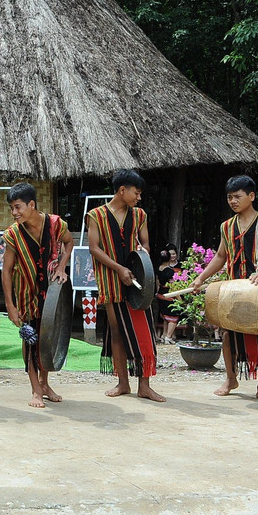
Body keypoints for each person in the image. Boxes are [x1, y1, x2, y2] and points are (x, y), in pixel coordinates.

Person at [185, 175, 258, 403]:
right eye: (230, 197)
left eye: (237, 196)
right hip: (236, 290)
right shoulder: (226, 226)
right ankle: (231, 379)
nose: (233, 201)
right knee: (229, 335)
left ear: (251, 196)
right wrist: (201, 278)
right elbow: (221, 256)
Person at [86, 169, 165, 402]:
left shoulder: (140, 215)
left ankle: (145, 385)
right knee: (116, 331)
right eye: (136, 193)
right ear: (122, 190)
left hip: (136, 281)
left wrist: (143, 254)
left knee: (144, 331)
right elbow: (94, 248)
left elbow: (146, 244)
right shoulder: (95, 215)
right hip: (110, 280)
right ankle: (123, 383)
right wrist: (119, 269)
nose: (138, 198)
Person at [2, 183, 73, 408]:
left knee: (48, 339)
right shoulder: (13, 234)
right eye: (12, 208)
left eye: (18, 207)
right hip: (26, 295)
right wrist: (10, 306)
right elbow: (6, 270)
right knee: (31, 341)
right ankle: (35, 390)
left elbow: (69, 242)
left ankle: (44, 383)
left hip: (51, 294)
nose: (14, 213)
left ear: (31, 205)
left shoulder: (55, 224)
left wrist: (62, 267)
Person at [155, 245, 182, 344]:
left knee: (165, 317)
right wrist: (179, 299)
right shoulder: (170, 272)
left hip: (161, 294)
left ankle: (164, 335)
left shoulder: (159, 269)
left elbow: (157, 282)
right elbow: (173, 286)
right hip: (169, 295)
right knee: (173, 318)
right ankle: (169, 337)